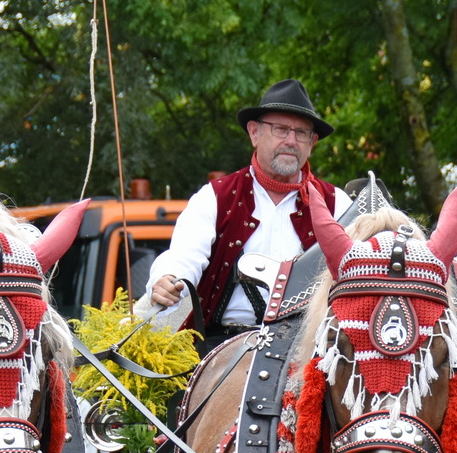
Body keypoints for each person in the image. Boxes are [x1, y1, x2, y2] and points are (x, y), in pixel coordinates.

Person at [144, 80, 350, 349]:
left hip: (308, 348)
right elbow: (185, 256)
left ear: (312, 143)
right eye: (281, 129)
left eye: (301, 133)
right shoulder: (215, 197)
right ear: (254, 133)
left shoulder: (338, 204)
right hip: (221, 345)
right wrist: (168, 279)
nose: (291, 141)